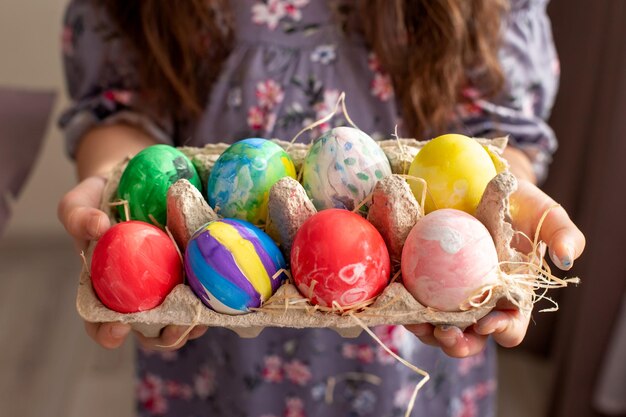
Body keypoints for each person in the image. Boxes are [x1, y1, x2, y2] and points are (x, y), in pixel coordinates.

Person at [57, 1, 585, 416]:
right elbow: (118, 105)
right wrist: (111, 176)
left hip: (409, 357)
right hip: (211, 341)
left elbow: (498, 131)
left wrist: (503, 201)